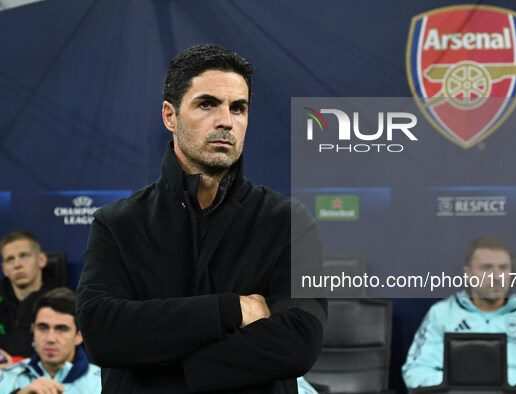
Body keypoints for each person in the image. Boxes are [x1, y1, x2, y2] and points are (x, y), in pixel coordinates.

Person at [76, 44, 326, 393]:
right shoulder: (117, 223)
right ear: (169, 115)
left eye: (238, 108)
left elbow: (300, 340)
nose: (226, 120)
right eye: (207, 104)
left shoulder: (287, 220)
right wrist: (231, 310)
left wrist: (163, 365)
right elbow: (102, 334)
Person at [402, 235, 516, 394]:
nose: (497, 277)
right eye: (487, 268)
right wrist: (453, 385)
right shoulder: (441, 313)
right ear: (468, 273)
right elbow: (415, 369)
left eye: (503, 268)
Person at [0, 287, 101, 393]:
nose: (50, 339)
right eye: (43, 328)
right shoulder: (5, 377)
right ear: (33, 330)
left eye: (61, 329)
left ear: (79, 336)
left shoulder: (101, 383)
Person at [0, 231, 59, 366]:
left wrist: (16, 365)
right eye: (10, 259)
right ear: (4, 269)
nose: (17, 265)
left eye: (24, 256)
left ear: (41, 260)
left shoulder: (62, 304)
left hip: (47, 382)